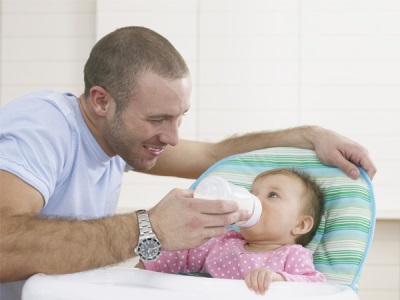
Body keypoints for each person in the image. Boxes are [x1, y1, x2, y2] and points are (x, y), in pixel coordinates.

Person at [0, 26, 375, 299]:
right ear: (101, 102)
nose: (173, 137)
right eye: (158, 119)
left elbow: (213, 156)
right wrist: (149, 228)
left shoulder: (118, 139)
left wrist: (308, 135)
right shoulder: (43, 129)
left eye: (179, 117)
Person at [137, 168, 326, 295]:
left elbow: (315, 287)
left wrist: (279, 279)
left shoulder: (292, 255)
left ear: (300, 225)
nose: (256, 200)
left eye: (273, 195)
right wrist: (145, 266)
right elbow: (183, 255)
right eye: (253, 193)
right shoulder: (222, 241)